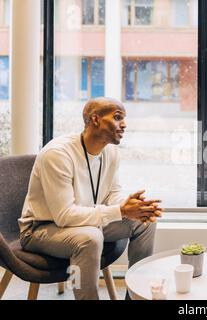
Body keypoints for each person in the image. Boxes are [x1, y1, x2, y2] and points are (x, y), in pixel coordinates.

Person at [19, 97, 163, 300]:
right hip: (41, 228)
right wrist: (120, 211)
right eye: (117, 117)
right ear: (95, 119)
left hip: (84, 222)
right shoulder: (58, 154)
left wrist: (132, 207)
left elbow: (112, 193)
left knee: (144, 222)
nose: (124, 124)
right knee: (90, 238)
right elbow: (64, 216)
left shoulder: (110, 151)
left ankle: (135, 297)